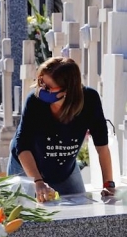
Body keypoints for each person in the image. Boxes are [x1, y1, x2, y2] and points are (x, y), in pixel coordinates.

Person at [8, 57, 115, 202]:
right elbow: (23, 144)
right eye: (41, 82)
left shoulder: (90, 100)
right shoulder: (34, 102)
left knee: (81, 216)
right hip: (26, 169)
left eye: (48, 87)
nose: (41, 89)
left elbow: (102, 147)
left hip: (65, 170)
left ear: (68, 91)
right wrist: (37, 182)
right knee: (25, 218)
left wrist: (108, 185)